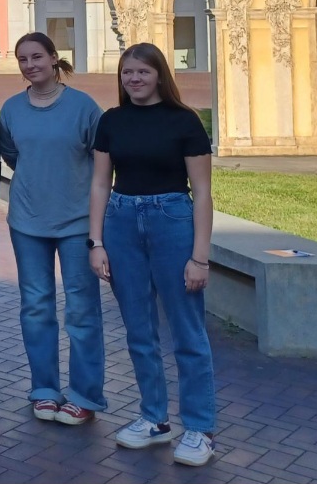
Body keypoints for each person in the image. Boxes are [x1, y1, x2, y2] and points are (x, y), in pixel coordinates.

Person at [89, 43, 216, 467]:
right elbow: (99, 184)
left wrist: (199, 257)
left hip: (172, 220)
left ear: (160, 74)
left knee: (187, 332)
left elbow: (201, 194)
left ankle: (198, 428)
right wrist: (97, 242)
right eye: (127, 73)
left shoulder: (185, 121)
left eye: (142, 72)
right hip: (122, 222)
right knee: (139, 331)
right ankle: (154, 418)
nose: (134, 79)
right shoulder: (111, 121)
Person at [0, 32, 105, 425]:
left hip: (77, 222)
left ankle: (84, 395)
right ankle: (44, 389)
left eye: (37, 57)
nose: (30, 65)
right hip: (28, 222)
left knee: (82, 310)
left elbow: (101, 162)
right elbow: (11, 154)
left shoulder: (82, 107)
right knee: (37, 307)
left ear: (54, 59)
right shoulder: (11, 109)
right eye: (22, 59)